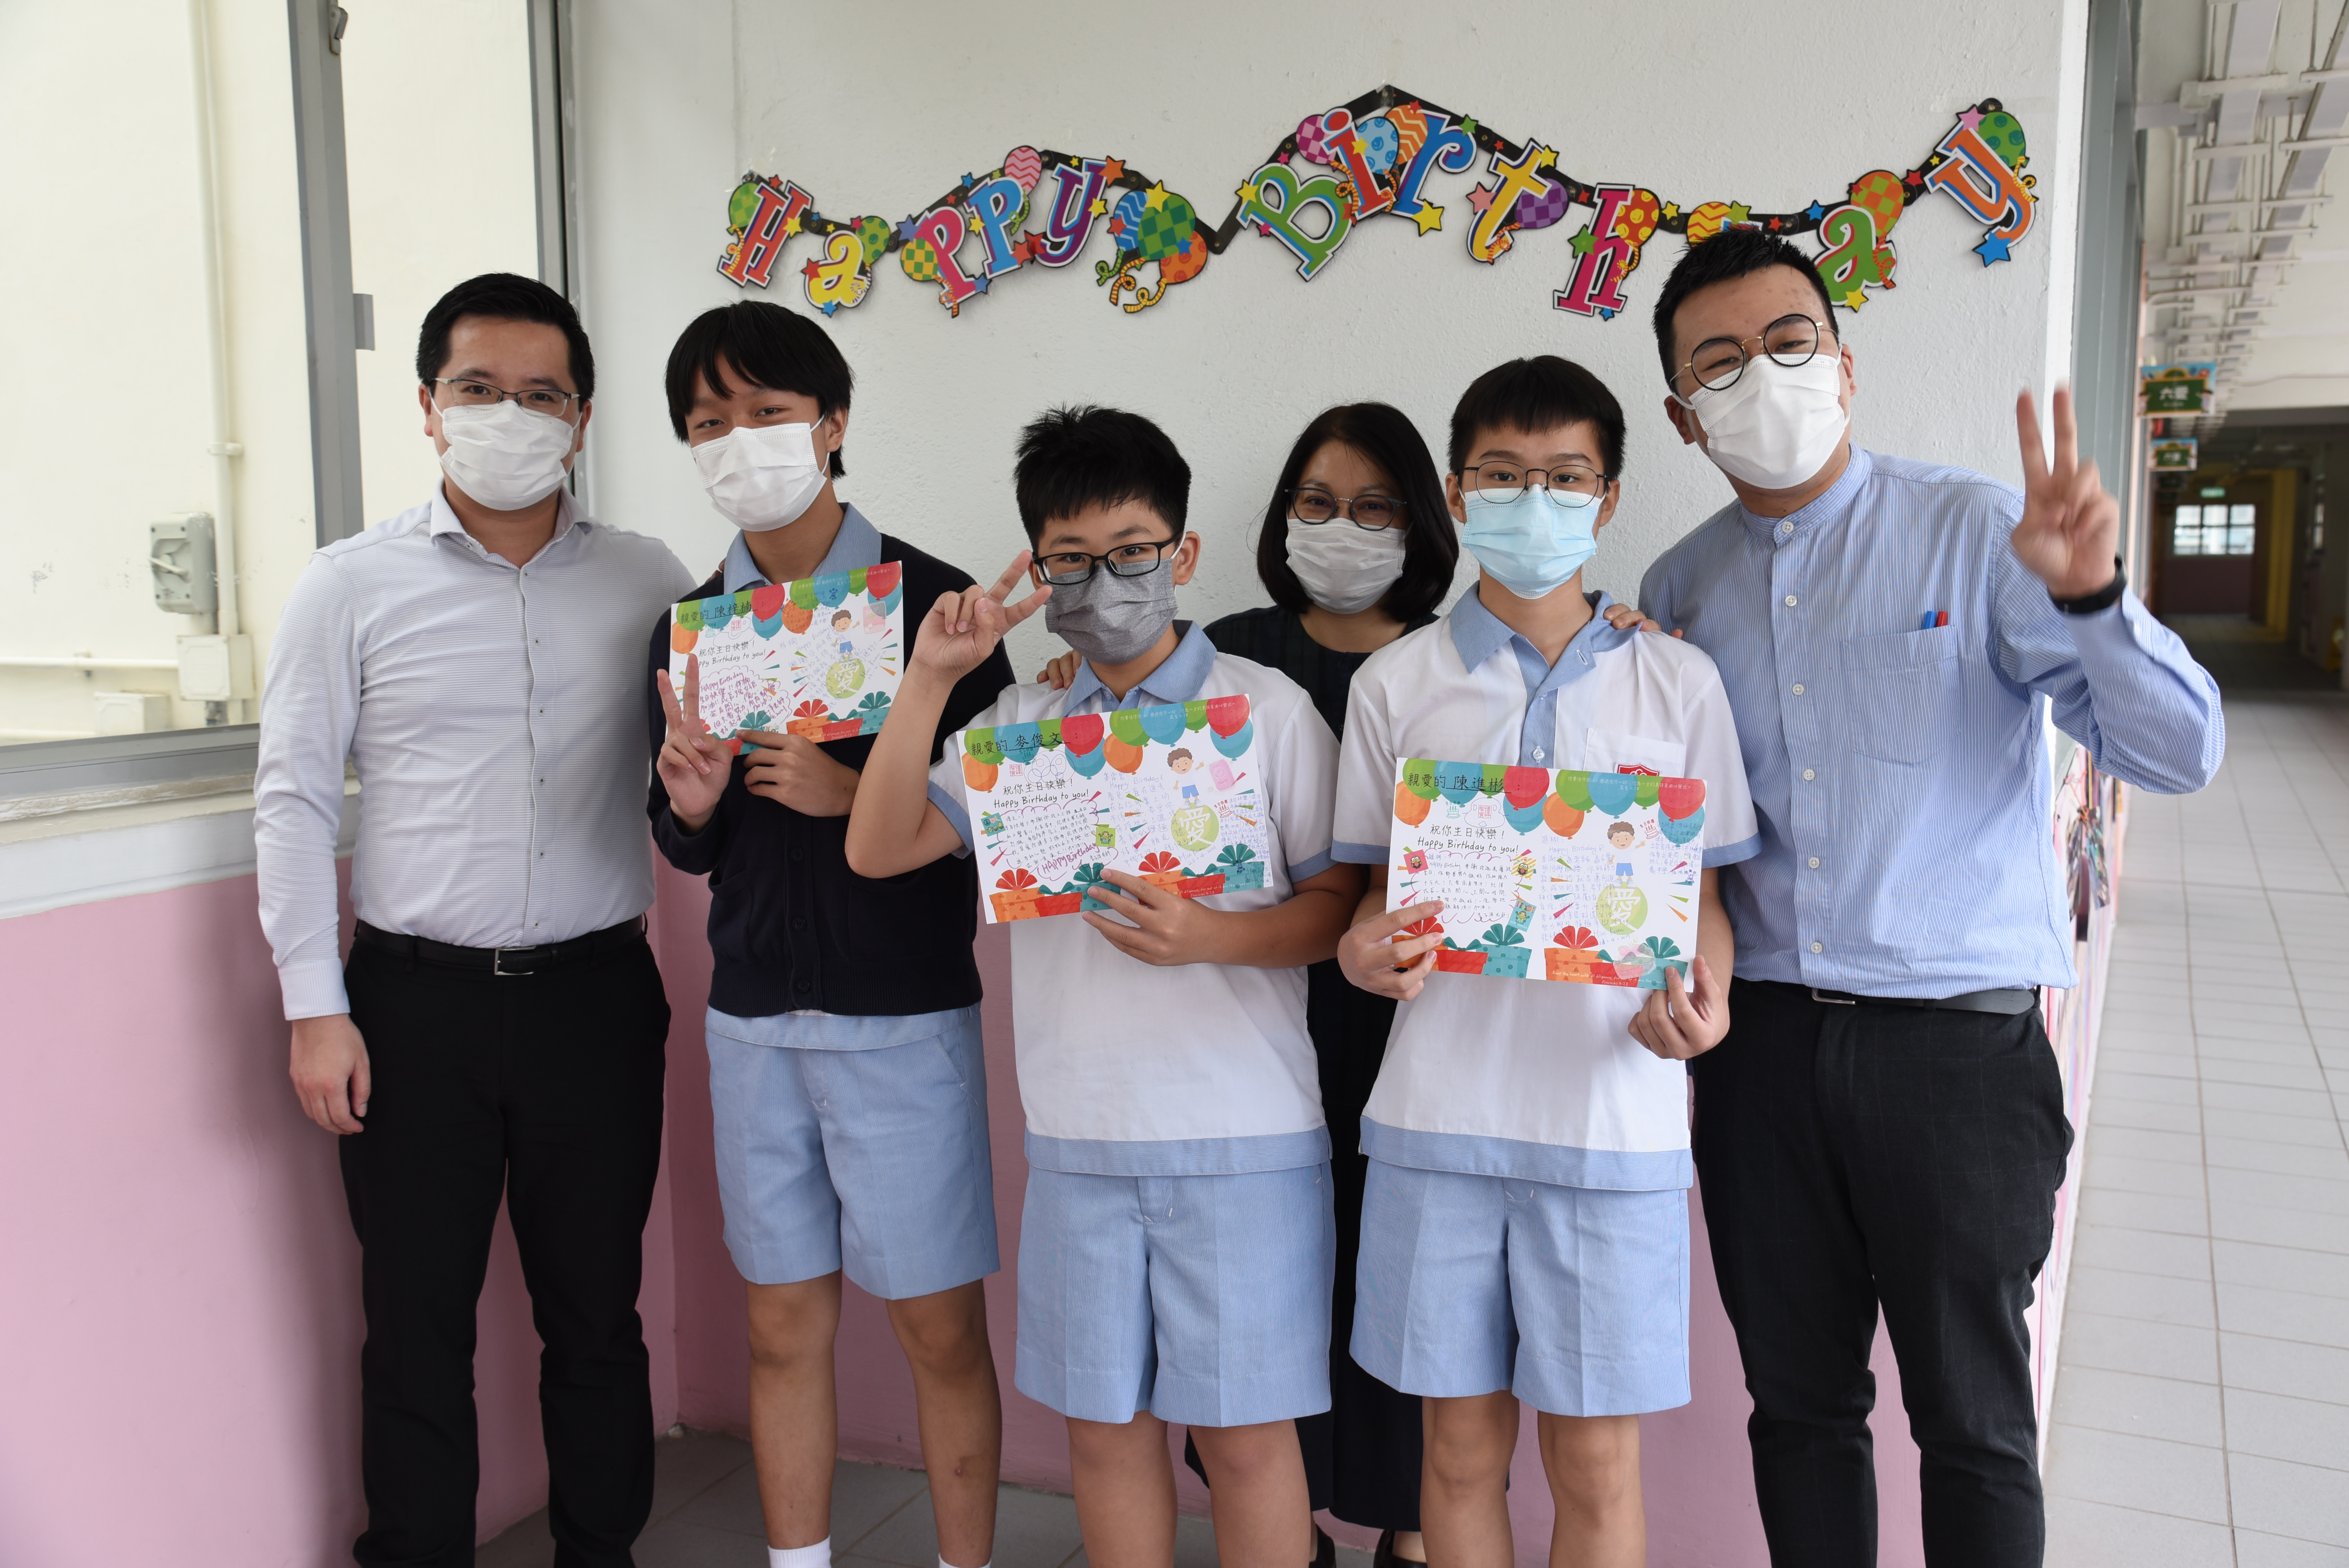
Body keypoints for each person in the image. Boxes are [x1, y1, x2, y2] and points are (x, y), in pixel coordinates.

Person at [1616, 227, 2225, 1567]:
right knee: (1800, 1410)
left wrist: (2095, 599)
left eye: (1788, 342)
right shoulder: (1678, 590)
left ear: (1843, 364)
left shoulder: (1976, 534)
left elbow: (2181, 753)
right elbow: (1680, 841)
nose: (1761, 375)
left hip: (1956, 1053)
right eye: (1720, 362)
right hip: (1763, 1055)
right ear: (1682, 415)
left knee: (1974, 1424)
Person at [844, 406, 1362, 1568]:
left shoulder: (1266, 712)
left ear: (1183, 553)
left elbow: (1339, 908)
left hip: (1244, 1142)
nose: (1103, 580)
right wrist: (930, 677)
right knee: (1106, 1435)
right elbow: (877, 850)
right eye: (1069, 559)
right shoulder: (1021, 728)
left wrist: (1209, 937)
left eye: (1131, 550)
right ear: (1038, 573)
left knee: (1245, 1444)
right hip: (1078, 1142)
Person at [255, 273, 697, 1567]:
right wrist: (314, 1007)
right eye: (479, 388)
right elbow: (292, 800)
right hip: (412, 1009)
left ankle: (601, 1553)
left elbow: (704, 774)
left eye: (542, 394)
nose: (511, 414)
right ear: (429, 406)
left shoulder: (652, 581)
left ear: (584, 417)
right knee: (415, 1329)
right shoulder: (346, 585)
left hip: (597, 1002)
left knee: (598, 1321)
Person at [1331, 356, 1758, 1568]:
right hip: (1437, 1126)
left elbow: (1705, 900)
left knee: (1597, 1466)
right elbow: (1372, 899)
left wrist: (1711, 1005)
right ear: (1457, 494)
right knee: (1458, 1459)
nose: (1536, 502)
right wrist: (1364, 951)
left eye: (1566, 478)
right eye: (1504, 476)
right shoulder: (1396, 683)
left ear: (1609, 498)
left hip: (1612, 1129)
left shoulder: (1677, 680)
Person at [1036, 402, 1460, 1568]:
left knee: (1402, 1293)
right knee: (1247, 1359)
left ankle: (1411, 1528)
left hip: (1406, 1019)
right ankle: (1289, 1538)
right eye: (1316, 502)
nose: (1341, 525)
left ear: (1419, 521)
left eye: (1372, 505)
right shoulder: (1228, 653)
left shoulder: (1447, 661)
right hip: (1247, 1037)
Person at [645, 301, 1012, 1568]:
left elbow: (998, 822)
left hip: (903, 1017)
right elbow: (687, 842)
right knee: (780, 1328)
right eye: (709, 422)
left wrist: (856, 793)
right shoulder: (688, 628)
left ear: (833, 422)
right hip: (753, 1021)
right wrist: (694, 807)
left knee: (938, 1331)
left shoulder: (940, 610)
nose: (739, 441)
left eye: (767, 412)